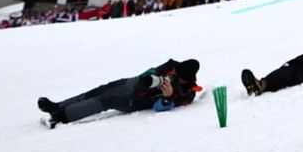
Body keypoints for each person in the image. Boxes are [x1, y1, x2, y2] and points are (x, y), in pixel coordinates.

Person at [37, 58, 200, 127]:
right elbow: (148, 74)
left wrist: (168, 96)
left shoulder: (187, 93)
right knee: (98, 91)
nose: (173, 75)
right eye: (174, 73)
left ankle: (61, 117)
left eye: (177, 76)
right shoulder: (172, 65)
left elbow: (159, 108)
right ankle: (57, 106)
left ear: (186, 79)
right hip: (134, 83)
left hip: (138, 101)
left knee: (107, 100)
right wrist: (154, 76)